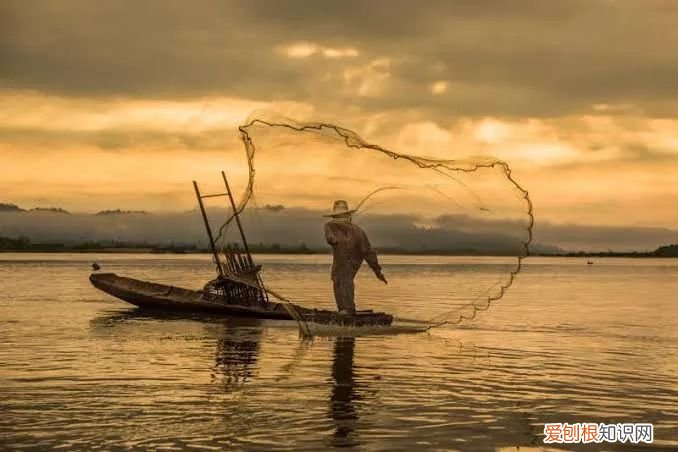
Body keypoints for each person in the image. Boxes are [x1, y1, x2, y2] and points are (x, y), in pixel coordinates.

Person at [324, 200, 387, 315]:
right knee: (339, 280)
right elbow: (330, 238)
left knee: (344, 280)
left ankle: (347, 311)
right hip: (344, 262)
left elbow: (368, 252)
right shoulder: (333, 226)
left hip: (350, 262)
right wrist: (377, 272)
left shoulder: (354, 230)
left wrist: (378, 271)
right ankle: (345, 311)